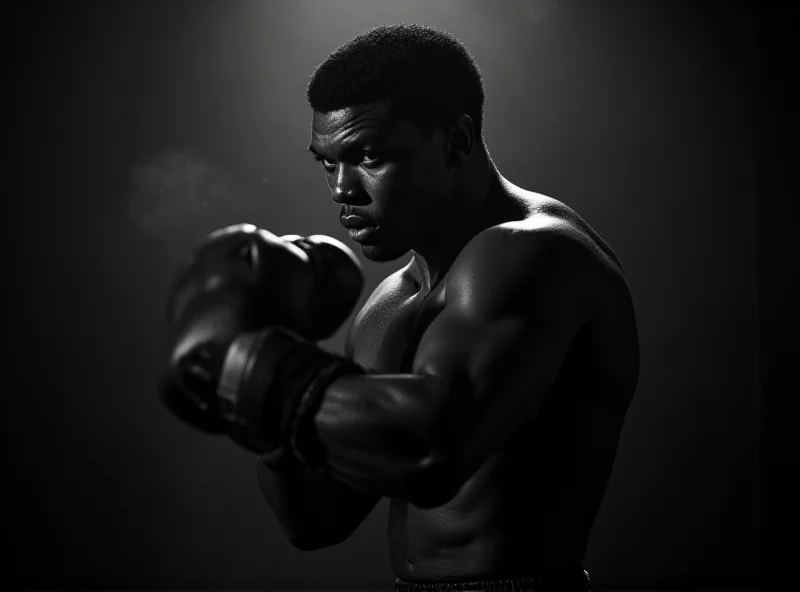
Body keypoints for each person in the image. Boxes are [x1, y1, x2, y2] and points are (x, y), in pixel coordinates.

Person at [161, 24, 640, 592]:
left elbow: (432, 450)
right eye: (326, 162)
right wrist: (262, 409)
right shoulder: (389, 302)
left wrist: (251, 363)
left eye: (368, 155)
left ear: (456, 141)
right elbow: (317, 519)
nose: (342, 189)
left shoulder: (533, 253)